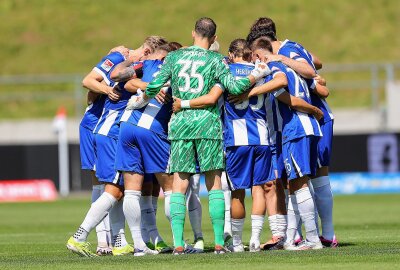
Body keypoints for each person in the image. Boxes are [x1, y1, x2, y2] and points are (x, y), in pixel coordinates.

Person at [128, 17, 271, 255]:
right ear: (214, 38)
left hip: (181, 125)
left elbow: (154, 85)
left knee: (180, 182)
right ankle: (217, 243)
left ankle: (178, 245)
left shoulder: (174, 58)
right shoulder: (216, 60)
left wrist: (141, 98)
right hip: (208, 125)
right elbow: (235, 89)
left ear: (193, 33)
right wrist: (255, 76)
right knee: (214, 183)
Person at [174, 39, 323, 252]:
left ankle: (236, 243)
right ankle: (258, 238)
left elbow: (210, 95)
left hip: (235, 140)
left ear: (232, 54)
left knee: (237, 193)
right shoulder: (261, 70)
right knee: (264, 188)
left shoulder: (224, 71)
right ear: (250, 54)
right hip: (262, 138)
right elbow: (281, 80)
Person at [66, 36, 166, 257]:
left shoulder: (129, 65)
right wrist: (106, 89)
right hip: (108, 133)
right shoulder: (122, 60)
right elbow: (91, 81)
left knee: (118, 190)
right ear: (148, 52)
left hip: (111, 132)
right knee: (111, 189)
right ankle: (83, 237)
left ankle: (121, 242)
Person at [248, 17, 337, 248]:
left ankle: (314, 238)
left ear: (259, 55)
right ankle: (297, 237)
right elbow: (318, 76)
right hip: (302, 127)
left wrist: (250, 91)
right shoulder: (290, 58)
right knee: (297, 181)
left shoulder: (277, 67)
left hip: (295, 128)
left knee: (299, 182)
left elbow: (285, 92)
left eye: (254, 58)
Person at [114, 43, 176, 255]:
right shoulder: (176, 67)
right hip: (152, 129)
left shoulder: (146, 64)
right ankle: (178, 241)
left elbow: (120, 77)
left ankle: (139, 245)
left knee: (132, 190)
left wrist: (133, 62)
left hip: (128, 126)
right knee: (171, 188)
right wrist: (155, 87)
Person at [78, 46, 128, 255]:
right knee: (102, 184)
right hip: (94, 128)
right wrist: (107, 90)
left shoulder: (118, 73)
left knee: (108, 184)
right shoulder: (112, 65)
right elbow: (89, 85)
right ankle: (101, 240)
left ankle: (111, 239)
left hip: (101, 128)